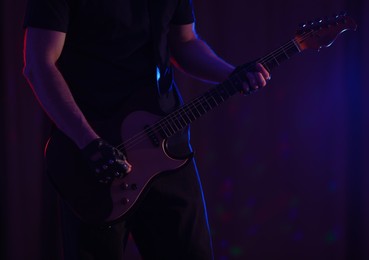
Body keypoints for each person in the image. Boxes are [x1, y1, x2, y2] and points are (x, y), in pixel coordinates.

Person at [23, 0, 270, 259]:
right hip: (97, 158)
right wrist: (88, 141)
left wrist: (231, 74)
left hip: (165, 146)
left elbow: (184, 42)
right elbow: (39, 64)